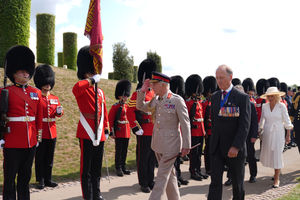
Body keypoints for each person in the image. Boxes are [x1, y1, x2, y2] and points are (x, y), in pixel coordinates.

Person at [136, 72, 191, 200]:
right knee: (169, 175)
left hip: (171, 145)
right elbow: (140, 106)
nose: (152, 87)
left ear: (162, 85)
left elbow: (185, 123)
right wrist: (142, 91)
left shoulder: (176, 100)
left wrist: (187, 145)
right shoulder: (156, 99)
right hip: (158, 143)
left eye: (154, 85)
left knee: (161, 178)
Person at [1, 45, 43, 200]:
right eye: (21, 71)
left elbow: (38, 117)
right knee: (10, 179)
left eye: (27, 71)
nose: (26, 73)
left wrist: (37, 137)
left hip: (30, 141)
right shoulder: (5, 92)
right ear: (13, 72)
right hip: (12, 141)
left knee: (25, 178)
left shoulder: (36, 93)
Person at [208, 65, 251, 200]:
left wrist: (236, 146)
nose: (219, 81)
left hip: (234, 149)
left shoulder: (242, 97)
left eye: (221, 78)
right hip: (217, 148)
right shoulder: (215, 97)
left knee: (237, 185)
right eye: (217, 78)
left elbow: (244, 125)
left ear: (230, 77)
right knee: (215, 183)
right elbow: (215, 123)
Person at [72, 46, 109, 200]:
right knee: (85, 169)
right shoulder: (82, 87)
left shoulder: (99, 91)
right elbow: (76, 88)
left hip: (99, 132)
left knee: (96, 168)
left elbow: (104, 110)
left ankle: (96, 193)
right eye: (91, 70)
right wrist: (90, 80)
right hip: (86, 131)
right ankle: (88, 196)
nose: (94, 73)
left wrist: (106, 128)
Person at [127, 59, 157, 193]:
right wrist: (136, 127)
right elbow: (130, 112)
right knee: (143, 158)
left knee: (151, 158)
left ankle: (150, 180)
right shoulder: (138, 93)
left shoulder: (154, 94)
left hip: (154, 130)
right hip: (143, 130)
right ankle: (143, 182)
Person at [34, 64, 64, 189]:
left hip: (52, 131)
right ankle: (40, 180)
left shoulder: (54, 98)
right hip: (41, 131)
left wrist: (59, 112)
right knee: (40, 157)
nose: (48, 85)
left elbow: (59, 113)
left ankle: (48, 179)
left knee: (49, 157)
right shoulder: (36, 97)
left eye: (49, 82)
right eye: (46, 83)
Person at [259, 87, 294, 188]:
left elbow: (287, 121)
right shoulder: (264, 106)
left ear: (277, 96)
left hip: (278, 133)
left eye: (272, 96)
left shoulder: (281, 106)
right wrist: (259, 129)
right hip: (267, 133)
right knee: (270, 154)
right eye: (268, 96)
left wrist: (288, 135)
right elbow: (262, 120)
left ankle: (276, 179)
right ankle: (276, 172)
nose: (270, 98)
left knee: (277, 154)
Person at [185, 74, 208, 181]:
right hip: (194, 131)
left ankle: (198, 170)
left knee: (199, 153)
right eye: (196, 91)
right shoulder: (189, 103)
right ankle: (193, 171)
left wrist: (204, 131)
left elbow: (202, 118)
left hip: (200, 131)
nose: (198, 93)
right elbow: (188, 118)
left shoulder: (198, 102)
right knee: (194, 154)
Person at [108, 79, 132, 177]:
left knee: (125, 150)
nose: (125, 97)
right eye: (124, 95)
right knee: (119, 150)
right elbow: (110, 120)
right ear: (119, 96)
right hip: (119, 131)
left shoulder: (127, 106)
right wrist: (112, 132)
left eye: (126, 95)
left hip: (126, 130)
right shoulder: (115, 107)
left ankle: (123, 166)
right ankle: (118, 167)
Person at [170, 75, 189, 187]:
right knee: (173, 159)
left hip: (179, 132)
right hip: (172, 133)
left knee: (177, 158)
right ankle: (175, 178)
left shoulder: (179, 100)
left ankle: (179, 176)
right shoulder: (170, 101)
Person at [242, 79, 258, 183]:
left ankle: (253, 175)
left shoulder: (252, 105)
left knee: (251, 156)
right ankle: (231, 177)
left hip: (248, 135)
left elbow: (254, 122)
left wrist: (254, 135)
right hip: (238, 135)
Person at [202, 76, 218, 176]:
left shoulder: (215, 102)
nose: (210, 94)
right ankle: (208, 168)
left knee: (215, 150)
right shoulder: (204, 103)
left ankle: (214, 166)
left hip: (216, 130)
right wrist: (204, 131)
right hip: (208, 130)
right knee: (208, 150)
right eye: (209, 92)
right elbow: (202, 119)